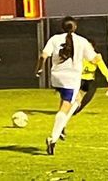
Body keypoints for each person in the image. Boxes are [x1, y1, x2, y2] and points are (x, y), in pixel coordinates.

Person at [35, 16, 99, 155]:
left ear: (62, 27)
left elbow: (43, 56)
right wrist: (96, 58)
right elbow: (93, 59)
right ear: (75, 27)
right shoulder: (82, 41)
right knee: (66, 106)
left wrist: (39, 69)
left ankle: (61, 126)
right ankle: (53, 138)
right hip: (72, 78)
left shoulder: (54, 39)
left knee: (76, 101)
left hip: (56, 77)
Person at [59, 39, 108, 140]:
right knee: (70, 104)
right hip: (76, 81)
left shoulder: (96, 57)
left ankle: (63, 121)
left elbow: (105, 72)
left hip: (88, 83)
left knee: (77, 108)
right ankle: (61, 127)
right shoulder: (79, 56)